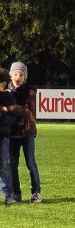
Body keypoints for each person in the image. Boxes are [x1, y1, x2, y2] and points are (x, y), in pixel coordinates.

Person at [8, 62, 41, 203]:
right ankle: (16, 193)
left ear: (25, 77)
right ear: (10, 76)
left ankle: (36, 192)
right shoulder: (6, 91)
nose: (18, 77)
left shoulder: (30, 91)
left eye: (21, 74)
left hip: (27, 133)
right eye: (15, 74)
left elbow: (25, 111)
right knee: (12, 165)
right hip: (12, 134)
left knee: (31, 163)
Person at [0, 68, 27, 205]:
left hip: (3, 137)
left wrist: (4, 112)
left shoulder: (7, 97)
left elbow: (18, 115)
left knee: (4, 164)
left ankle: (9, 194)